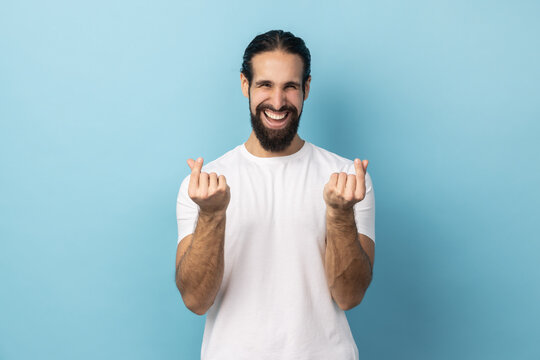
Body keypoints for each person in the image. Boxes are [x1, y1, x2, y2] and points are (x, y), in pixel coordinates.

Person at [175, 29, 375, 360]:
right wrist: (211, 216)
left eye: (290, 87)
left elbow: (349, 296)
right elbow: (196, 301)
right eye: (265, 85)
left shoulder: (349, 182)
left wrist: (340, 215)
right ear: (245, 85)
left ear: (306, 88)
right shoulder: (204, 185)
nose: (278, 102)